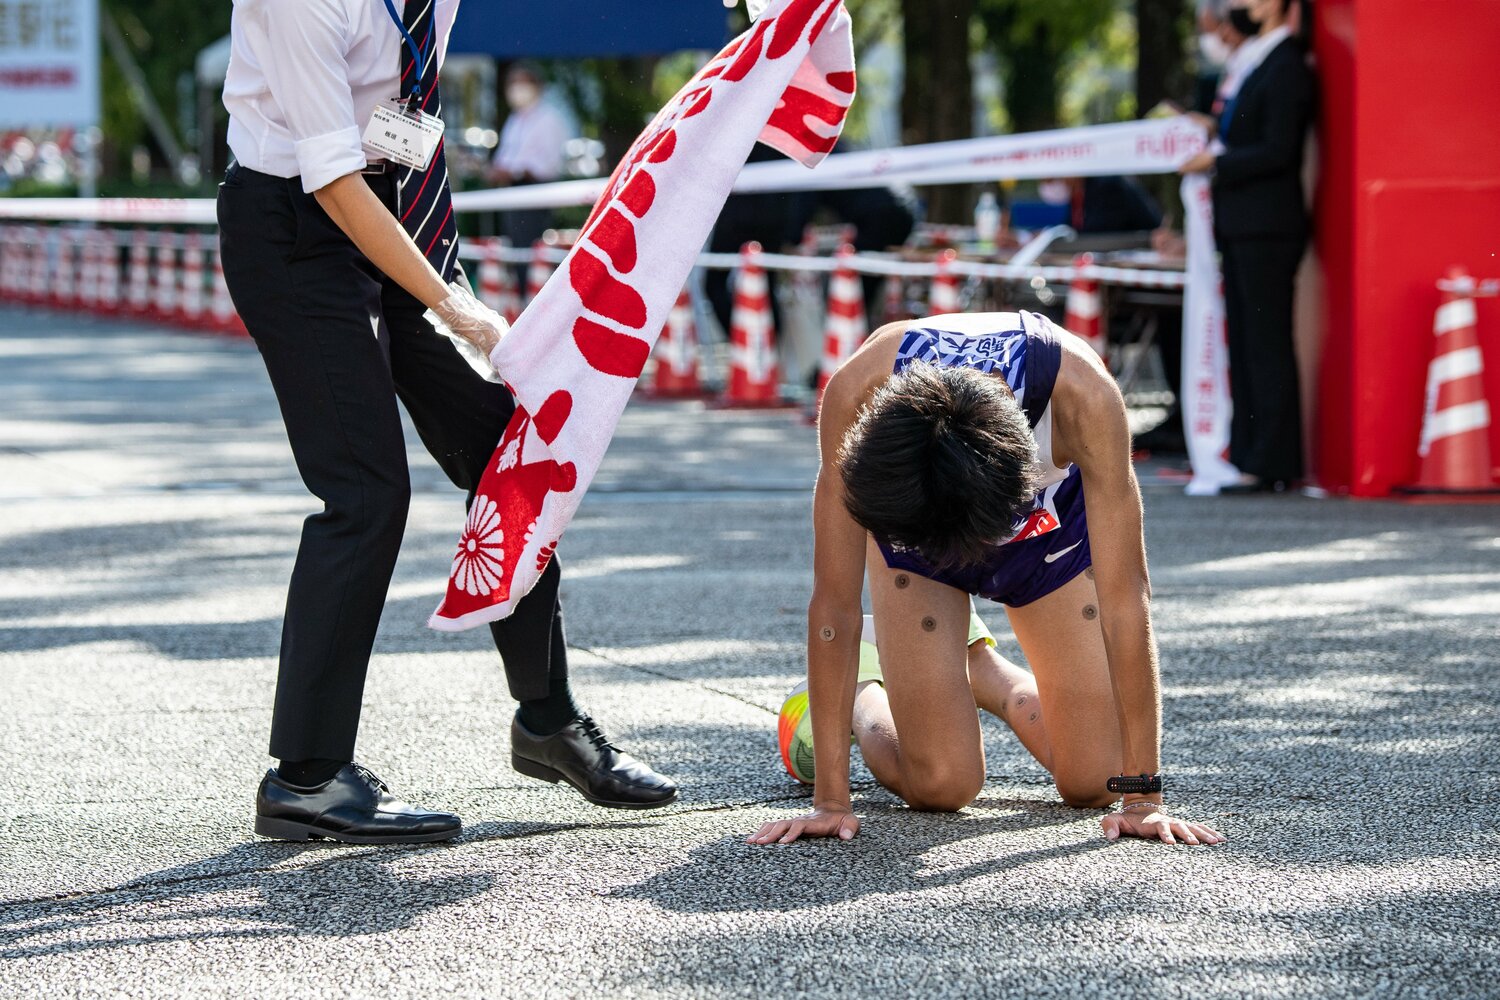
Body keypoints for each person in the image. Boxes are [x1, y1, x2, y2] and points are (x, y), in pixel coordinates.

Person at [219, 0, 676, 845]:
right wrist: (453, 306)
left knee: (510, 449)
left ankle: (548, 721)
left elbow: (402, 126)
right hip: (298, 230)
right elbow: (331, 180)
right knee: (364, 492)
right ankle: (308, 778)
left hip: (396, 214)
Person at [749, 311, 1225, 847]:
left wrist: (1142, 798)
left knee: (1098, 780)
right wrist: (831, 801)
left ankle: (978, 667)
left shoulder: (1081, 396)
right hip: (915, 535)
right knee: (941, 786)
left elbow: (1126, 599)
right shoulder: (861, 389)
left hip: (1045, 530)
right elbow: (834, 601)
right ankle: (864, 687)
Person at [1181, 0, 1314, 493]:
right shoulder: (1258, 59)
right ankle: (1251, 455)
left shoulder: (1286, 65)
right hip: (1243, 227)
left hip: (1268, 227)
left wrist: (1215, 162)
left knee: (1266, 343)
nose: (1245, 3)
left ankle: (1272, 461)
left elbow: (1279, 148)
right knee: (1249, 343)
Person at [488, 62, 572, 254]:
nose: (517, 89)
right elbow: (506, 155)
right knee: (516, 251)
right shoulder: (515, 119)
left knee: (530, 253)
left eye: (522, 82)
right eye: (513, 83)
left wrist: (514, 171)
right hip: (512, 193)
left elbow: (548, 165)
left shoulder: (548, 118)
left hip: (535, 192)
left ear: (537, 85)